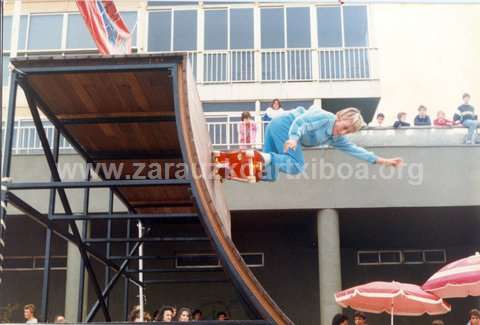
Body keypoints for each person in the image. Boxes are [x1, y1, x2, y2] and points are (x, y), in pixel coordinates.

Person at [215, 106, 403, 182]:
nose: (342, 132)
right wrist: (294, 138)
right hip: (284, 126)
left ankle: (228, 168)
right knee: (296, 166)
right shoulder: (325, 117)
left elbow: (357, 151)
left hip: (279, 131)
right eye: (344, 127)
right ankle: (265, 156)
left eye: (348, 132)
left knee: (270, 175)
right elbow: (302, 122)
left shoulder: (335, 139)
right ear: (340, 117)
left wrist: (384, 161)